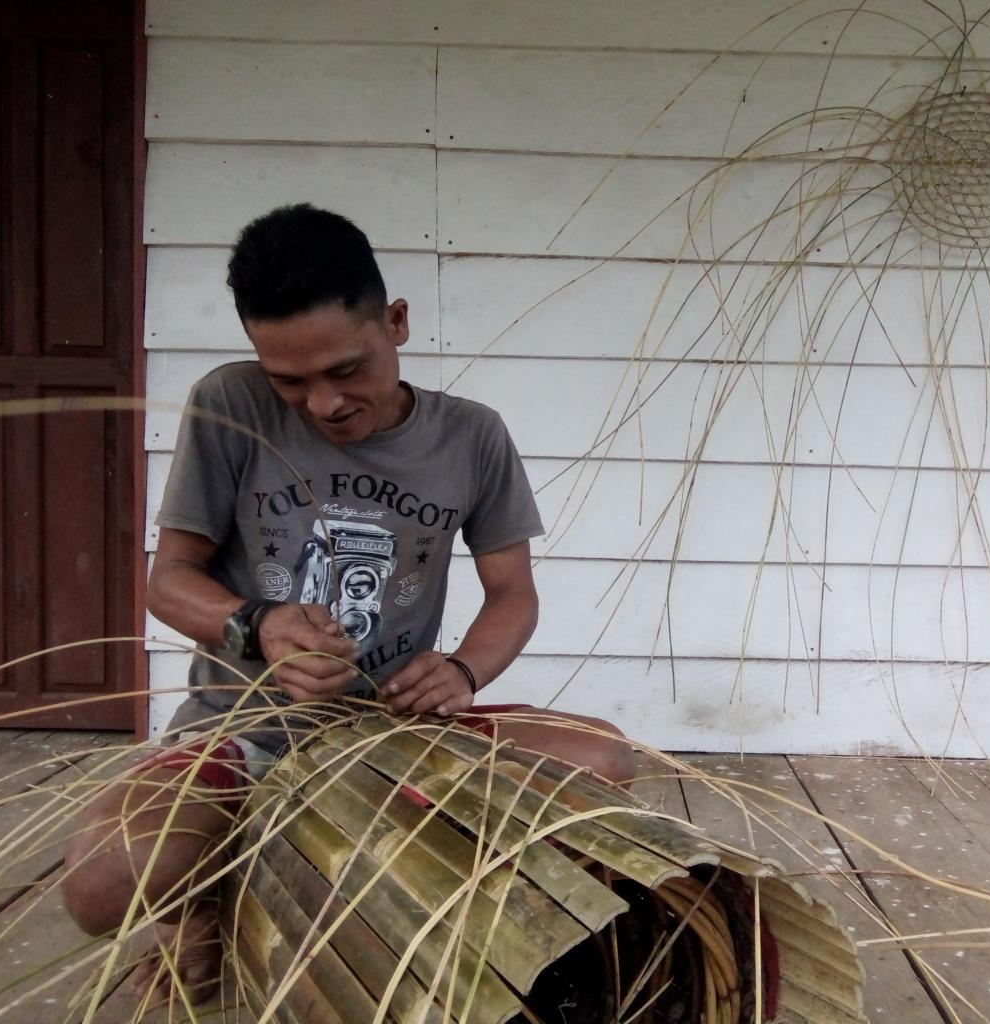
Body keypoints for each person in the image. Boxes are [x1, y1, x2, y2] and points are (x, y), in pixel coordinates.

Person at [61, 203, 635, 1001]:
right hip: (245, 735)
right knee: (103, 881)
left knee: (603, 760)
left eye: (345, 371)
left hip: (395, 733)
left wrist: (462, 671)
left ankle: (403, 893)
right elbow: (168, 579)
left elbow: (512, 592)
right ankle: (205, 909)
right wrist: (257, 625)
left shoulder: (471, 436)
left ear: (395, 322)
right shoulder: (229, 404)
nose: (323, 404)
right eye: (289, 381)